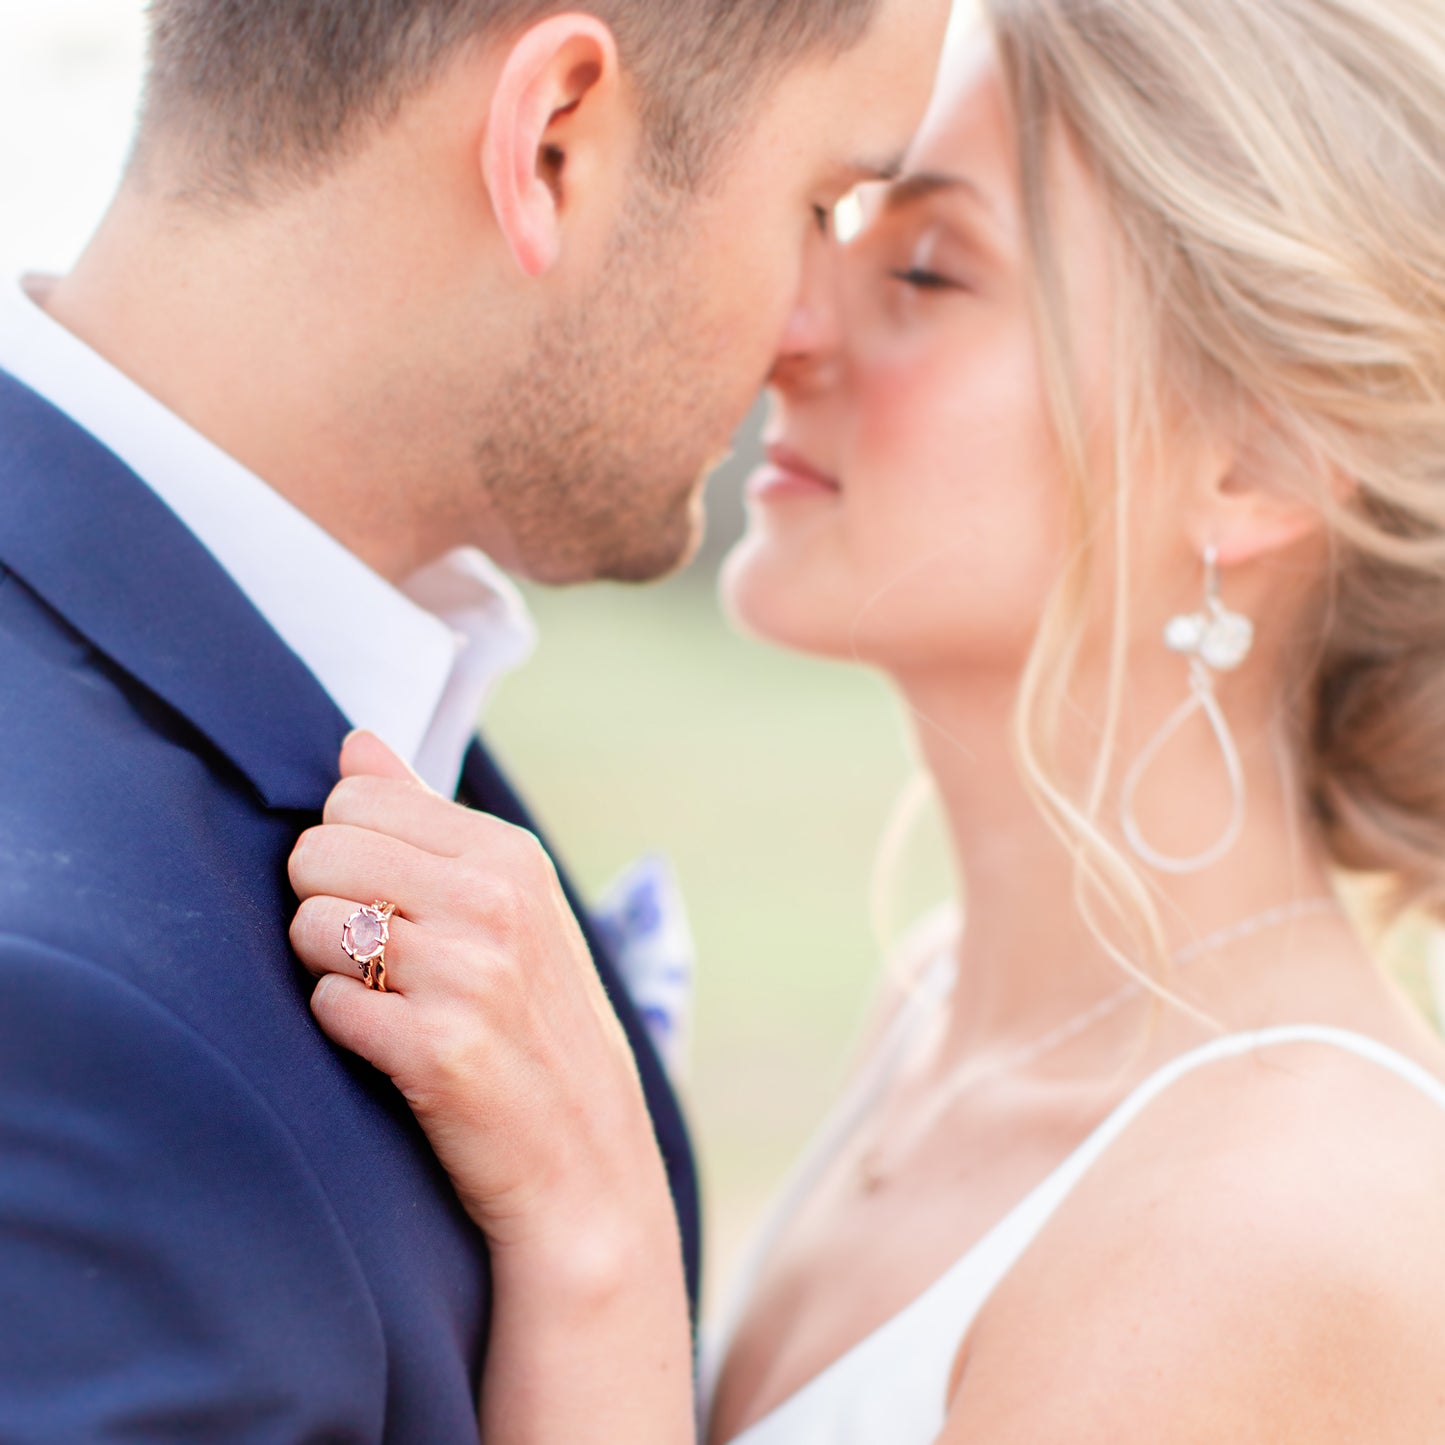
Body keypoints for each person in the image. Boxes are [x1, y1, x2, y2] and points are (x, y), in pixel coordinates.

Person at [290, 0, 1445, 1439]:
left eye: (923, 267)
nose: (788, 325)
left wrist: (600, 1251)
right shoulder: (931, 1009)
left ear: (1256, 461)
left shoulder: (1274, 1222)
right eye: (830, 218)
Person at [0, 0, 951, 1437]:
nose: (816, 333)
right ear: (550, 142)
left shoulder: (340, 695)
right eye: (819, 203)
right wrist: (601, 1256)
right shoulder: (61, 1017)